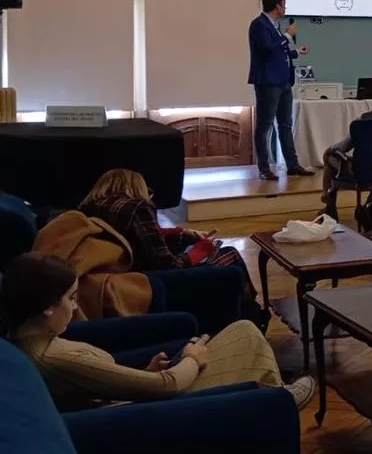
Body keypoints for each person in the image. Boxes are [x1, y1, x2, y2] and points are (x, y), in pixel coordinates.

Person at [1, 253, 314, 411]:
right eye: (70, 298)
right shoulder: (51, 356)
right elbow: (166, 386)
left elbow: (95, 382)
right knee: (243, 334)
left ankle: (274, 397)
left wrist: (141, 371)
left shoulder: (31, 340)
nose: (75, 306)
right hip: (155, 403)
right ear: (46, 307)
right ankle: (278, 402)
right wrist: (190, 358)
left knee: (243, 332)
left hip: (133, 396)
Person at [78, 170, 266, 327]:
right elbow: (168, 265)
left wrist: (183, 235)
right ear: (136, 186)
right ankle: (252, 316)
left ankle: (251, 314)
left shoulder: (87, 208)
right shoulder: (137, 208)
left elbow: (140, 240)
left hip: (116, 280)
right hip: (151, 281)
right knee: (230, 255)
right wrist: (200, 249)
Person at [248, 0, 312, 181]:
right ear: (277, 5)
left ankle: (292, 164)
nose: (285, 8)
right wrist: (287, 35)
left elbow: (278, 52)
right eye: (284, 4)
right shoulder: (259, 24)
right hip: (268, 81)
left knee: (285, 124)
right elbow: (268, 48)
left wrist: (296, 53)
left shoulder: (274, 26)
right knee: (265, 125)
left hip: (283, 81)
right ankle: (264, 167)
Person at [321, 86, 372, 204]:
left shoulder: (361, 122)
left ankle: (327, 199)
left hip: (362, 171)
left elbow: (343, 147)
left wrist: (330, 149)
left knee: (329, 157)